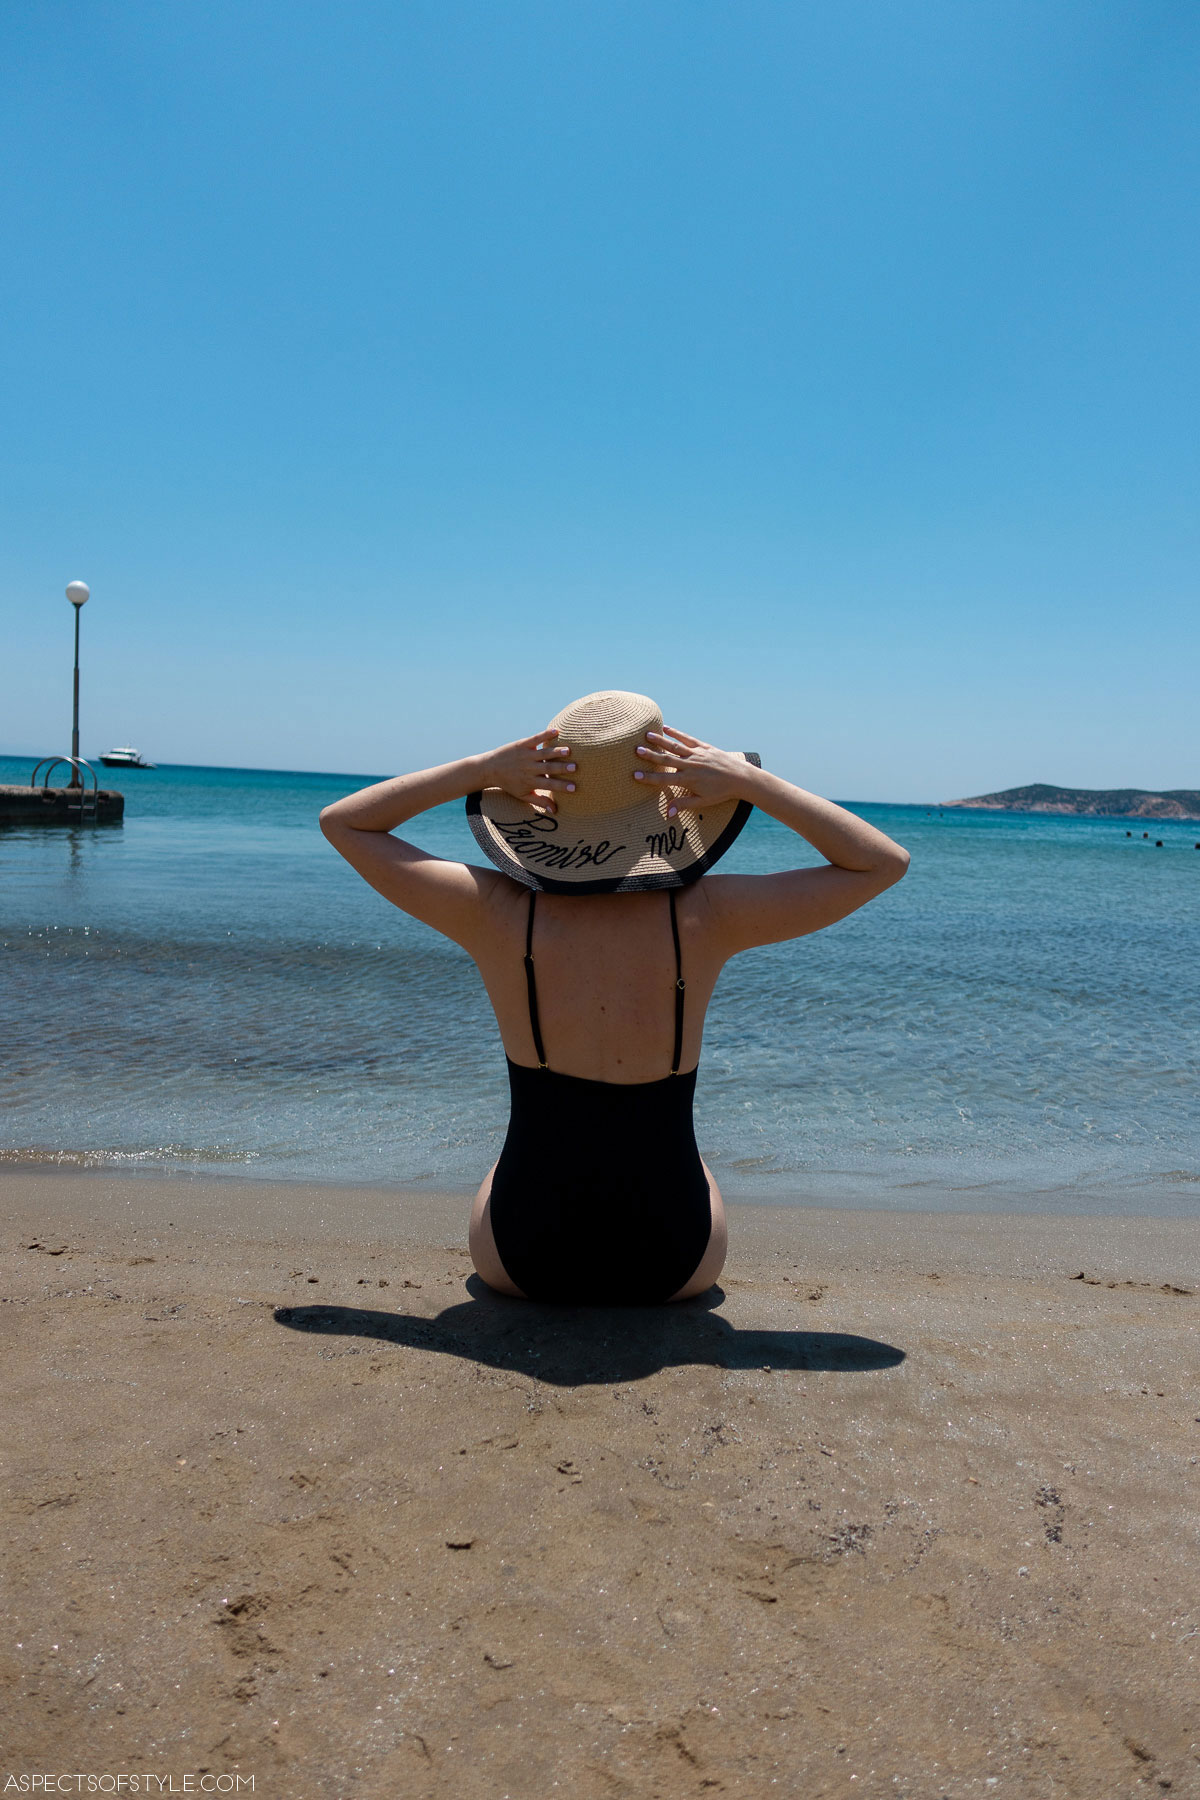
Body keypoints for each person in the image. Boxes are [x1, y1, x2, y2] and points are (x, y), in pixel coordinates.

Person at [319, 690, 909, 1306]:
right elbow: (880, 863)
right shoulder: (709, 915)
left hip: (522, 1257)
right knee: (689, 1166)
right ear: (667, 813)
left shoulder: (492, 912)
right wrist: (750, 782)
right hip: (675, 1260)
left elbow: (345, 822)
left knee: (515, 1165)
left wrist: (482, 769)